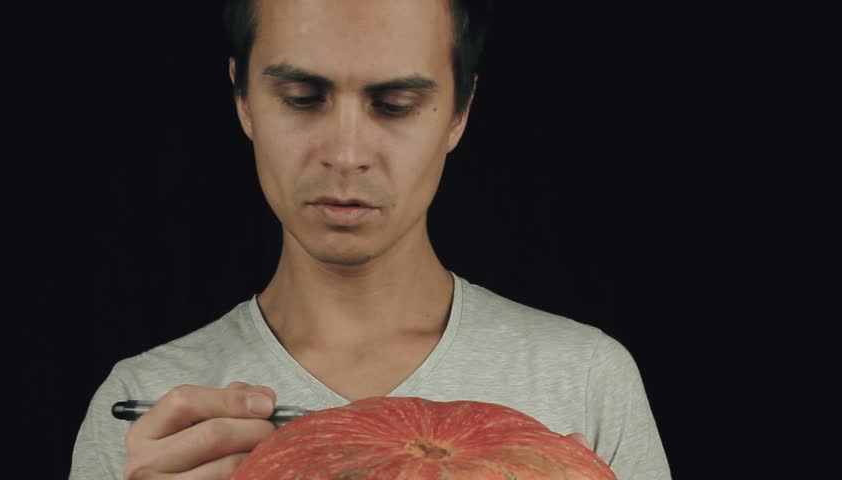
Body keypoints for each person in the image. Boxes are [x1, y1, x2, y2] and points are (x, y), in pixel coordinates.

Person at [70, 0, 671, 478]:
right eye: (302, 100)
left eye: (395, 105)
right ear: (243, 99)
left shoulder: (583, 379)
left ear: (460, 111)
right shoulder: (149, 407)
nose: (346, 153)